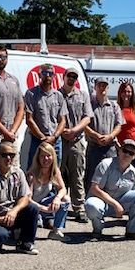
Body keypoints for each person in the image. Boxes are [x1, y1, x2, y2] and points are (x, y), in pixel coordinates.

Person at [0, 141, 40, 255]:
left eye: (11, 155)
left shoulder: (18, 173)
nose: (8, 158)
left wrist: (14, 211)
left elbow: (25, 196)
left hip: (11, 216)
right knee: (0, 235)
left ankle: (25, 244)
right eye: (4, 155)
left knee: (32, 208)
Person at [85, 139, 135, 242]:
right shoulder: (105, 164)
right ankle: (97, 231)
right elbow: (95, 188)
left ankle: (133, 232)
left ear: (134, 156)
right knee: (91, 204)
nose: (127, 154)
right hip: (103, 202)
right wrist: (115, 204)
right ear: (119, 150)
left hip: (121, 204)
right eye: (125, 150)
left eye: (131, 153)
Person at [59, 67, 94, 223]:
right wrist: (61, 132)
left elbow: (87, 117)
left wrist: (74, 130)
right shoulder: (56, 94)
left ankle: (79, 208)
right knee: (57, 175)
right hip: (59, 140)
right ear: (63, 76)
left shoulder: (83, 95)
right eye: (69, 76)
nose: (71, 79)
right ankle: (59, 206)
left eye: (74, 76)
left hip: (77, 140)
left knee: (77, 175)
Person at [24, 63, 67, 169]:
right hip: (37, 140)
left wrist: (54, 136)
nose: (47, 75)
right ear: (39, 75)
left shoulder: (59, 96)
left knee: (55, 172)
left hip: (55, 141)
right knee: (33, 171)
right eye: (44, 73)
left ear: (54, 76)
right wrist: (42, 137)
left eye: (50, 73)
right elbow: (29, 119)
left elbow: (62, 120)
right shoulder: (31, 94)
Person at [26, 142, 71, 241]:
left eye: (48, 156)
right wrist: (44, 209)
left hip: (44, 204)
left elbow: (63, 189)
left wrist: (57, 198)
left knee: (66, 199)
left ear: (53, 157)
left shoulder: (55, 171)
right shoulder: (32, 174)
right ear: (38, 158)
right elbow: (27, 200)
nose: (46, 159)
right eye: (42, 156)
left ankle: (56, 231)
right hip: (31, 207)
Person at [84, 77, 123, 190]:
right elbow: (84, 124)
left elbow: (119, 125)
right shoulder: (89, 105)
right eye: (100, 85)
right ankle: (89, 202)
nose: (102, 88)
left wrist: (110, 136)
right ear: (95, 87)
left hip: (110, 148)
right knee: (91, 176)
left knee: (111, 177)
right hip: (94, 147)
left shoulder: (114, 105)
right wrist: (95, 135)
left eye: (104, 86)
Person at [116, 82, 135, 154]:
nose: (126, 94)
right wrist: (118, 145)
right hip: (120, 147)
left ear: (132, 94)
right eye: (124, 91)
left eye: (129, 92)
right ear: (120, 93)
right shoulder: (115, 109)